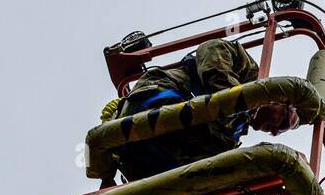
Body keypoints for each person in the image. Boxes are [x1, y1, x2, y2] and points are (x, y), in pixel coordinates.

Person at [100, 37, 301, 182]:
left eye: (281, 132)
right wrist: (235, 102)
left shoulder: (232, 133)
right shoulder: (248, 78)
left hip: (145, 163)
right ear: (278, 99)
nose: (276, 132)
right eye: (283, 121)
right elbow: (212, 49)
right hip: (155, 104)